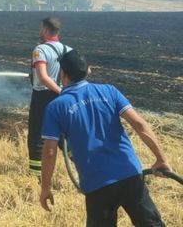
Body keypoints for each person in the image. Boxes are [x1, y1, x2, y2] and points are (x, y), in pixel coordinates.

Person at [39, 50, 172, 226]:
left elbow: (49, 151)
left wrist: (45, 187)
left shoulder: (56, 107)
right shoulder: (109, 91)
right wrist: (161, 159)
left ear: (62, 74)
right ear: (89, 70)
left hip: (97, 184)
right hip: (130, 173)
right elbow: (140, 125)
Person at [28, 17, 70, 176]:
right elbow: (86, 71)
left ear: (45, 30)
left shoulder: (40, 50)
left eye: (41, 28)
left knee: (37, 138)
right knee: (62, 136)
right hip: (63, 98)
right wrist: (66, 92)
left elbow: (44, 78)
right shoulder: (68, 50)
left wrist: (59, 91)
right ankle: (83, 166)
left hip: (43, 98)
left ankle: (36, 177)